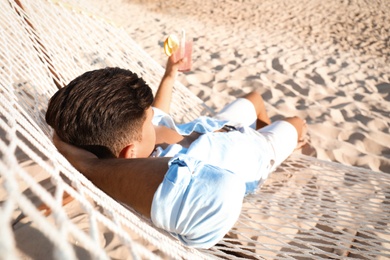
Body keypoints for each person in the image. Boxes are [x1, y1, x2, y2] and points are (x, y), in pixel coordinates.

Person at [46, 56, 307, 248]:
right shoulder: (169, 177)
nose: (155, 122)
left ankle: (264, 125)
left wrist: (170, 75)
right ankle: (275, 140)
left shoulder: (139, 141)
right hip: (257, 153)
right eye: (148, 122)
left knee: (255, 98)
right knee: (297, 123)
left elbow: (158, 115)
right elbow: (220, 195)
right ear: (130, 152)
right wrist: (89, 167)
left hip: (216, 126)